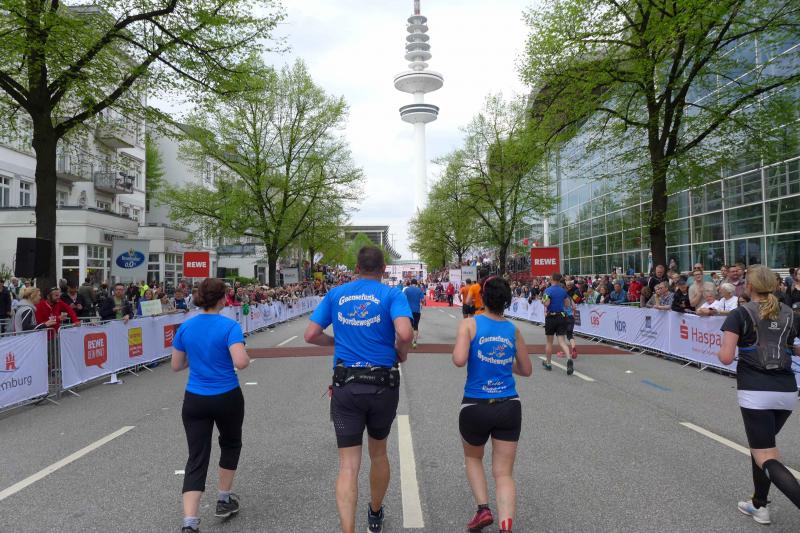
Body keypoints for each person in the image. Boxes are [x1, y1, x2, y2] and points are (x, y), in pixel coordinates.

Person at [304, 246, 413, 533]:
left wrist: (334, 342)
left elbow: (310, 334)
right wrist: (401, 353)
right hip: (382, 386)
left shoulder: (336, 294)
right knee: (379, 453)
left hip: (346, 385)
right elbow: (405, 333)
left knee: (348, 465)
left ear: (356, 267)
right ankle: (375, 513)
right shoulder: (392, 295)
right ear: (384, 269)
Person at [716, 265, 800, 525]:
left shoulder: (740, 313)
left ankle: (763, 504)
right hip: (786, 391)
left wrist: (721, 350)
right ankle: (758, 505)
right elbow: (793, 348)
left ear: (749, 287)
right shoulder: (789, 313)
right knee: (762, 447)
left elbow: (726, 357)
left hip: (755, 390)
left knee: (765, 455)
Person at [452, 277, 532, 533]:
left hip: (475, 404)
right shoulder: (513, 330)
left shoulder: (469, 324)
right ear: (506, 301)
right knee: (504, 473)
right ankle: (506, 527)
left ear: (483, 298)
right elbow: (526, 369)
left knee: (473, 458)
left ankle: (483, 509)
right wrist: (503, 363)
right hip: (509, 405)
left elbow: (459, 360)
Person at [171, 278, 250, 533]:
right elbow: (241, 362)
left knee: (197, 456)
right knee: (230, 443)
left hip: (195, 398)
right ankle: (224, 499)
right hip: (226, 395)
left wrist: (197, 359)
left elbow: (176, 365)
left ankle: (190, 522)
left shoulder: (186, 326)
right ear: (223, 299)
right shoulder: (230, 326)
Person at [541, 273, 574, 374]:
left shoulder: (548, 290)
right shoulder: (563, 291)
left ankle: (548, 363)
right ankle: (569, 359)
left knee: (549, 342)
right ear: (559, 280)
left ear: (551, 279)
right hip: (561, 316)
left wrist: (543, 301)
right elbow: (567, 304)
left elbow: (546, 303)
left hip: (551, 317)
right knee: (562, 341)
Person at [403, 278, 425, 349]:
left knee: (409, 326)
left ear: (411, 283)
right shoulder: (419, 290)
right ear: (416, 284)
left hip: (408, 311)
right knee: (415, 326)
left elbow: (403, 298)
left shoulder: (407, 290)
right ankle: (415, 342)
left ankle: (408, 342)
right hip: (417, 311)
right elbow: (423, 300)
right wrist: (422, 303)